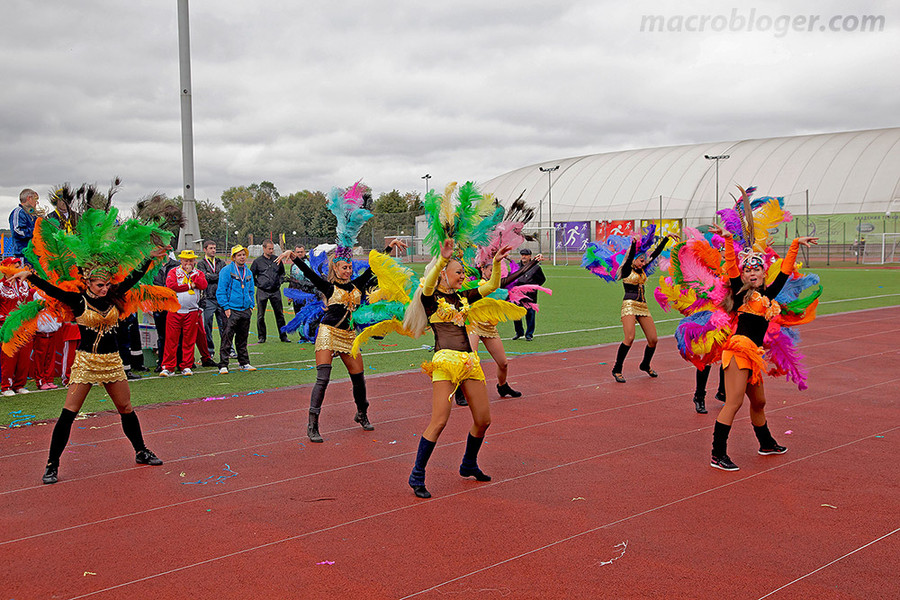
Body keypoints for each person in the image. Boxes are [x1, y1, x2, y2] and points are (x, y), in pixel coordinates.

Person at [9, 245, 172, 484]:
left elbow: (133, 277)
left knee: (126, 408)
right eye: (100, 285)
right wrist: (30, 277)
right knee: (69, 413)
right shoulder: (77, 300)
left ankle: (141, 451)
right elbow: (52, 290)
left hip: (112, 361)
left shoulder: (114, 295)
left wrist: (149, 258)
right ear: (88, 283)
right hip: (86, 361)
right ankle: (51, 465)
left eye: (107, 285)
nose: (105, 289)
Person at [404, 239, 512, 498]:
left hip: (469, 362)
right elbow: (429, 283)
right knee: (439, 420)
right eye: (458, 272)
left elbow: (493, 285)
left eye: (464, 272)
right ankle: (417, 474)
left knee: (483, 420)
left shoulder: (464, 297)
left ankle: (468, 463)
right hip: (444, 363)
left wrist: (496, 264)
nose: (464, 276)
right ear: (443, 273)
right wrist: (442, 258)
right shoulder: (430, 298)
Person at [707, 224, 818, 471]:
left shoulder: (769, 296)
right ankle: (717, 454)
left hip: (754, 356)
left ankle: (766, 443)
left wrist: (795, 245)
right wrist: (727, 240)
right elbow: (732, 266)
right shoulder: (740, 294)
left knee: (759, 403)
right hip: (737, 352)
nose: (751, 272)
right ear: (743, 277)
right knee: (733, 403)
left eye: (756, 268)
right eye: (747, 270)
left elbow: (786, 272)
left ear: (763, 273)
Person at [280, 238, 407, 442]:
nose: (348, 271)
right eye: (344, 268)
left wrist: (389, 247)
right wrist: (294, 258)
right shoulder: (328, 287)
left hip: (349, 336)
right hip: (328, 333)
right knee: (323, 379)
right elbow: (310, 274)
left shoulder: (357, 284)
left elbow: (375, 267)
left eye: (349, 267)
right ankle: (312, 425)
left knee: (359, 378)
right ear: (335, 269)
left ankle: (362, 413)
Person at [464, 253, 546, 403]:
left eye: (496, 271)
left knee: (503, 363)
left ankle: (502, 386)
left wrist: (534, 262)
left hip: (490, 328)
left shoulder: (496, 284)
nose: (494, 273)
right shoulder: (475, 284)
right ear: (482, 269)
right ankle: (460, 392)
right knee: (470, 360)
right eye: (491, 271)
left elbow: (517, 274)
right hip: (474, 326)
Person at [610, 233, 673, 383]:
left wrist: (666, 239)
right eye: (641, 260)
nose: (643, 263)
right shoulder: (626, 269)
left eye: (644, 260)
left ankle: (645, 364)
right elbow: (631, 257)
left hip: (643, 306)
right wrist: (633, 245)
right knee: (629, 338)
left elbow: (656, 253)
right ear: (634, 259)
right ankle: (617, 369)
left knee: (653, 340)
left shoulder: (643, 268)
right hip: (629, 305)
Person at [160, 250, 207, 376]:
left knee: (189, 340)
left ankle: (186, 366)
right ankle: (168, 367)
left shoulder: (198, 273)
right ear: (181, 261)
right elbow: (171, 285)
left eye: (191, 261)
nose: (188, 263)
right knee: (171, 340)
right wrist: (190, 286)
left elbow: (203, 285)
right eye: (186, 260)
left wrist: (194, 278)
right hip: (175, 310)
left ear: (194, 261)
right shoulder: (174, 271)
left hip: (192, 311)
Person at [217, 245, 256, 374]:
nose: (242, 257)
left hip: (245, 309)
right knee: (227, 337)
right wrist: (226, 307)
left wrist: (251, 305)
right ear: (234, 257)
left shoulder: (248, 272)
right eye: (239, 255)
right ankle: (223, 364)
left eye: (243, 254)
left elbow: (251, 290)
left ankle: (244, 362)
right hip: (231, 309)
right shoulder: (226, 271)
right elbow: (221, 291)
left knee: (243, 338)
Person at [1, 260, 34, 395]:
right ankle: (6, 386)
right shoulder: (1, 287)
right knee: (9, 357)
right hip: (9, 327)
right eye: (16, 267)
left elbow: (30, 304)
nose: (20, 269)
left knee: (24, 357)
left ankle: (19, 384)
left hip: (25, 327)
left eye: (19, 266)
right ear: (6, 269)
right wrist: (6, 318)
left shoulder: (24, 284)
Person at [250, 240, 288, 343]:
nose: (271, 251)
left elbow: (282, 273)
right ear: (264, 248)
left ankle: (283, 336)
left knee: (280, 314)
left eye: (272, 249)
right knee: (260, 315)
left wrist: (279, 282)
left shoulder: (277, 259)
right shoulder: (257, 262)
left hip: (275, 290)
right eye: (269, 249)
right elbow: (251, 275)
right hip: (262, 291)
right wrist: (259, 284)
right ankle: (262, 337)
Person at [197, 240, 226, 359]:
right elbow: (203, 277)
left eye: (214, 248)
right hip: (208, 298)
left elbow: (224, 276)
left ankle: (227, 349)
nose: (213, 250)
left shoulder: (221, 262)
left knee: (224, 325)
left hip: (221, 297)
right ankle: (210, 350)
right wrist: (212, 276)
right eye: (211, 248)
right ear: (205, 250)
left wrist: (211, 276)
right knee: (207, 325)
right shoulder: (201, 263)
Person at [511, 248, 546, 341]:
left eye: (526, 255)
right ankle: (519, 332)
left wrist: (533, 287)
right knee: (516, 314)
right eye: (522, 254)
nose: (523, 256)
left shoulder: (536, 268)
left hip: (530, 294)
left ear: (530, 256)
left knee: (530, 314)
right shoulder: (517, 266)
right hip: (517, 294)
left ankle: (529, 334)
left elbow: (542, 279)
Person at [8, 189, 40, 261]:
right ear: (29, 198)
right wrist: (36, 232)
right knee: (25, 272)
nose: (37, 203)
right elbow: (18, 231)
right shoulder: (18, 212)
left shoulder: (34, 214)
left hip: (35, 254)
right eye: (35, 199)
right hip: (23, 255)